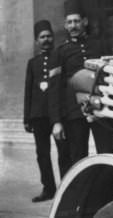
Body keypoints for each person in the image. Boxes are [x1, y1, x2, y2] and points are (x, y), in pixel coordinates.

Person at [50, 0, 113, 166]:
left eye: (77, 21)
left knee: (108, 153)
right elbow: (55, 89)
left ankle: (108, 192)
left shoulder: (100, 45)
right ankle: (83, 192)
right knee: (78, 158)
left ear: (85, 22)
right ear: (65, 25)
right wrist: (57, 121)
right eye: (70, 22)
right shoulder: (60, 52)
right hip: (74, 113)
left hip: (101, 107)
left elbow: (111, 76)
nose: (73, 26)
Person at [23, 20, 70, 202]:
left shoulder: (59, 57)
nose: (46, 40)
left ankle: (65, 188)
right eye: (42, 37)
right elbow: (28, 91)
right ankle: (48, 188)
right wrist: (27, 118)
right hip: (38, 115)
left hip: (56, 113)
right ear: (37, 41)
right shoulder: (32, 63)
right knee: (42, 154)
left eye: (49, 36)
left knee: (63, 151)